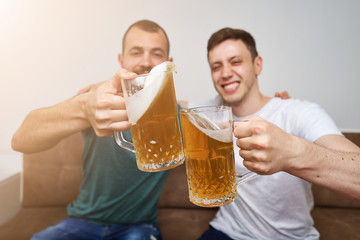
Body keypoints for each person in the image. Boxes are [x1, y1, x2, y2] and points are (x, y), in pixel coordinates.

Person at [191, 27, 360, 240]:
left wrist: (293, 152)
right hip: (226, 232)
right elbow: (165, 106)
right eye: (216, 66)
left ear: (257, 65)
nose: (225, 73)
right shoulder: (209, 111)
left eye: (235, 62)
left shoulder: (297, 112)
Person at [11, 19, 172, 240]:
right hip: (80, 223)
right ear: (121, 60)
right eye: (136, 52)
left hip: (138, 228)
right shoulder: (97, 99)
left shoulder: (178, 117)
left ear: (168, 63)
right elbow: (20, 140)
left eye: (156, 53)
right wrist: (84, 107)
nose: (146, 62)